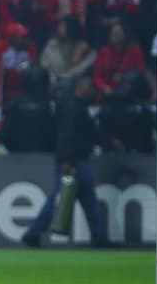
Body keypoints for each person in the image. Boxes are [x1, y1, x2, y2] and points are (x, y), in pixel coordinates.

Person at [22, 76, 111, 248]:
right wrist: (67, 160)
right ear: (79, 88)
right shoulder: (73, 107)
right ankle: (33, 233)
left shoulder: (75, 106)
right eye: (89, 86)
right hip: (73, 161)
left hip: (77, 160)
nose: (92, 90)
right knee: (61, 199)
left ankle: (100, 238)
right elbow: (66, 135)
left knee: (87, 200)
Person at [0, 67, 55, 153]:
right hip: (48, 155)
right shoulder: (54, 104)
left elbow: (3, 136)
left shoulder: (14, 105)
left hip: (19, 156)